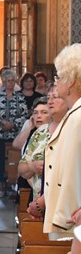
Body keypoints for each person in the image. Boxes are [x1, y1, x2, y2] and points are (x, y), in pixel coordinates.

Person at [42, 44, 81, 240]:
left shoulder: (77, 117)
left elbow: (74, 168)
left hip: (73, 217)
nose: (56, 84)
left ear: (71, 81)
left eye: (58, 77)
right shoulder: (74, 114)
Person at [0, 69, 28, 198]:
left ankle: (12, 185)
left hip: (14, 135)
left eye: (13, 81)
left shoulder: (20, 97)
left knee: (13, 160)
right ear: (3, 82)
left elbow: (25, 115)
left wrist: (13, 124)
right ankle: (0, 185)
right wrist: (2, 122)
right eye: (8, 81)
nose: (10, 83)